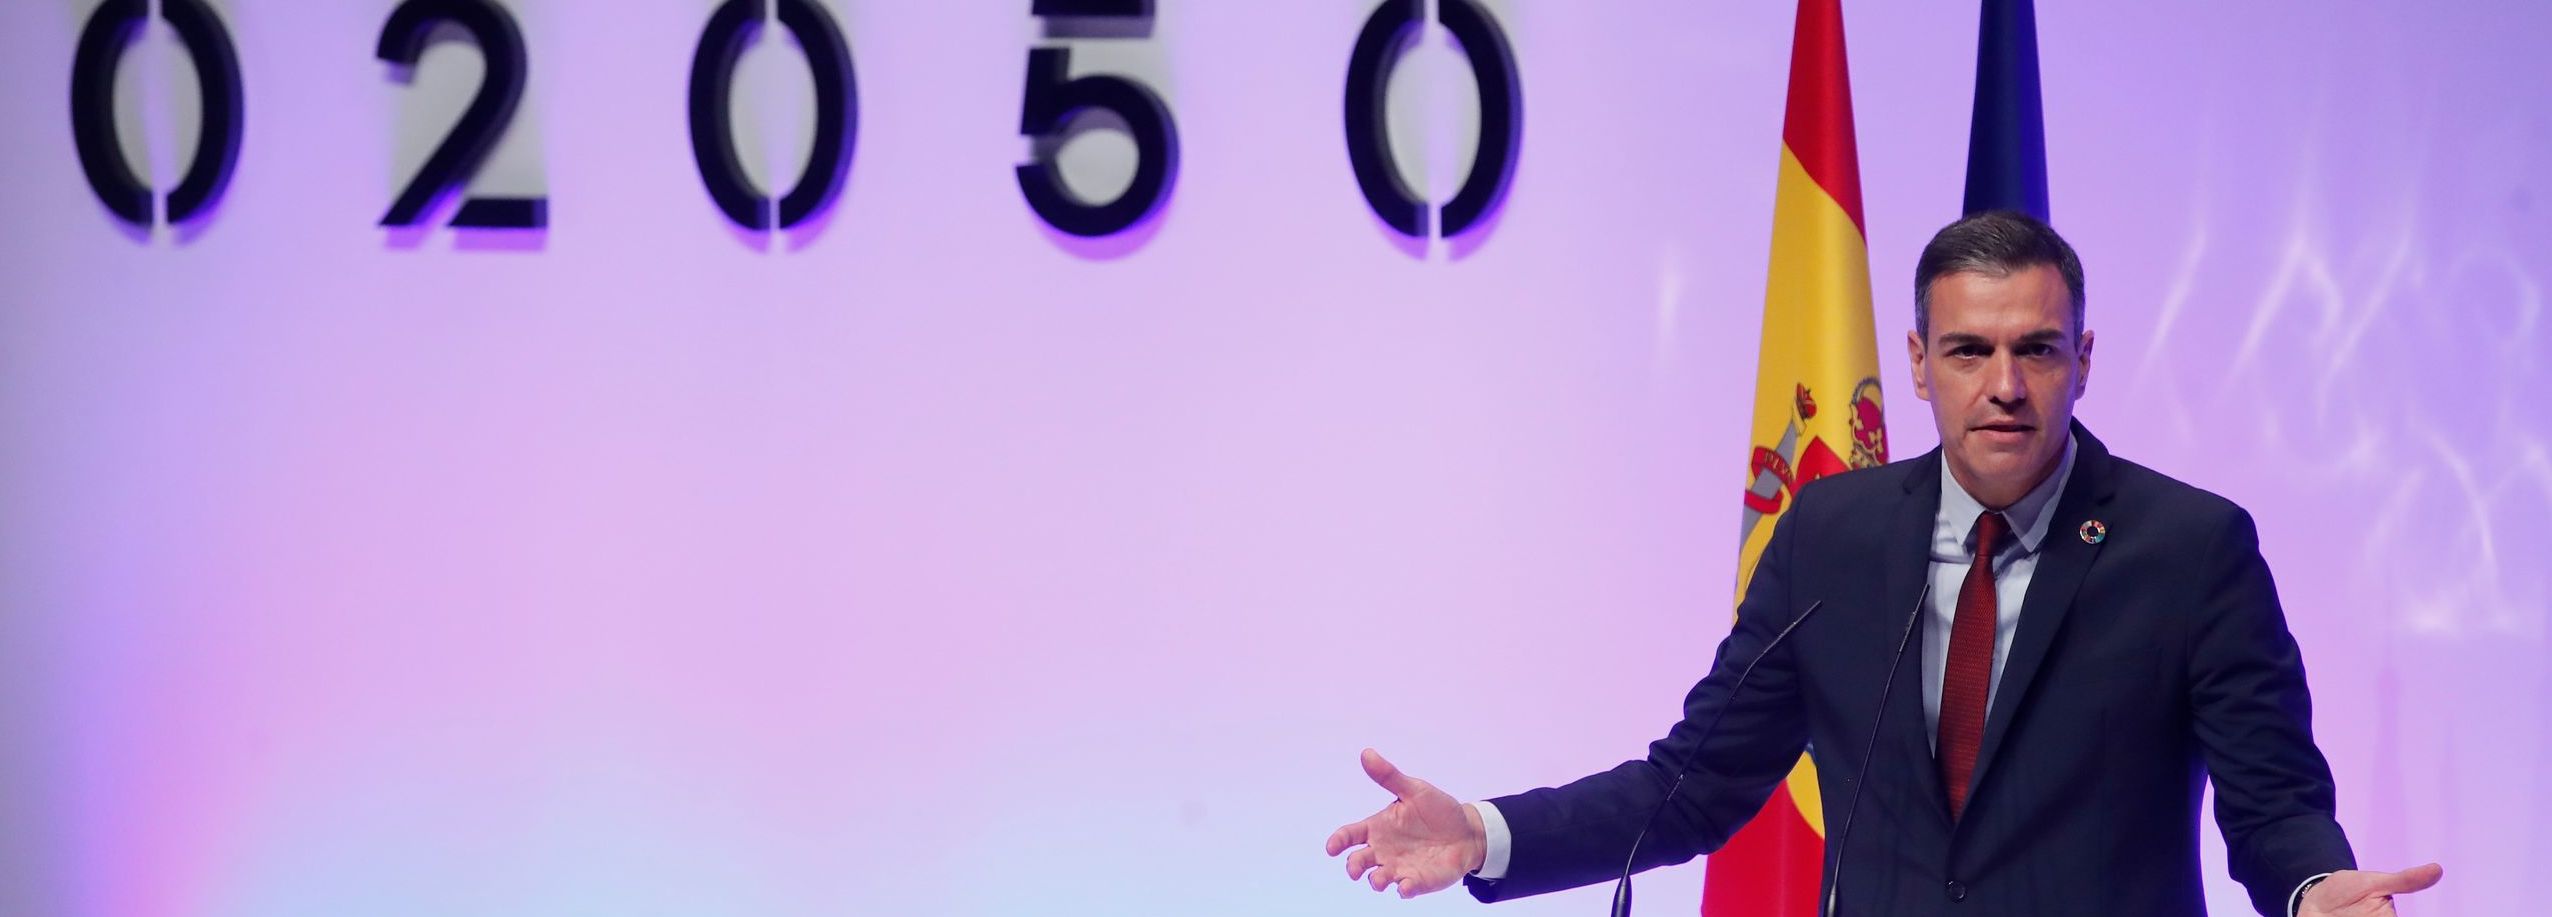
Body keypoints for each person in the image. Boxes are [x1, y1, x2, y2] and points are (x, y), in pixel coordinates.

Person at [1324, 212, 2443, 916]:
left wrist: (2315, 888)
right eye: (1968, 350)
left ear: (2083, 358)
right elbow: (1693, 782)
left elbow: (2273, 802)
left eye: (2035, 349)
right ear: (1915, 362)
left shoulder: (2190, 550)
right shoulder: (1832, 534)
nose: (2003, 385)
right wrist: (1488, 833)